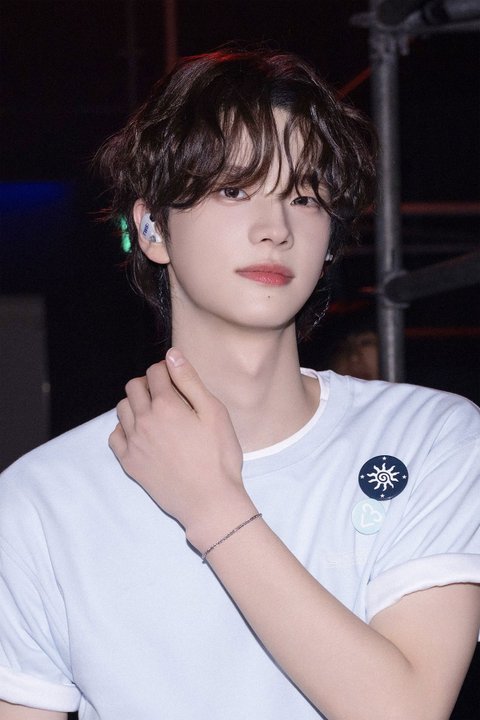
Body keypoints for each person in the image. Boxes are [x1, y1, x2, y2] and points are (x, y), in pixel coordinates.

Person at [0, 50, 479, 720]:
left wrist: (213, 506)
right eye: (234, 190)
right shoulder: (42, 498)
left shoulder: (429, 437)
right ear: (152, 227)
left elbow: (405, 711)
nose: (275, 229)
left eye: (304, 197)